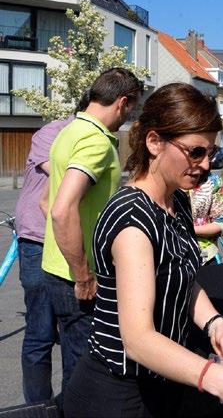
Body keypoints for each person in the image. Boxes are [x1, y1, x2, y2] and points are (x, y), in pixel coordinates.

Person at [64, 83, 223, 417]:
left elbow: (183, 277)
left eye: (210, 153)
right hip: (118, 395)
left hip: (161, 383)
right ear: (154, 142)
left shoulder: (177, 201)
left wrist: (215, 325)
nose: (206, 164)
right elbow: (138, 340)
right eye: (195, 152)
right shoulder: (132, 220)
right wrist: (222, 380)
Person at [41, 68, 144, 398]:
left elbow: (47, 201)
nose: (128, 119)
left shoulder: (68, 132)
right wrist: (83, 274)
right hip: (77, 277)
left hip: (56, 269)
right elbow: (61, 209)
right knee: (85, 372)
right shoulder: (97, 142)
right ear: (122, 102)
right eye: (132, 110)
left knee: (74, 362)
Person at [14, 93, 89, 403]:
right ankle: (39, 406)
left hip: (70, 243)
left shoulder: (94, 140)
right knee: (41, 333)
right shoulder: (53, 132)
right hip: (38, 240)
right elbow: (62, 175)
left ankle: (70, 405)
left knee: (75, 336)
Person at [190, 171, 223, 265]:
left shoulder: (213, 181)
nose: (205, 163)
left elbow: (222, 221)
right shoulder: (162, 179)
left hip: (206, 255)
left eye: (209, 156)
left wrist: (191, 229)